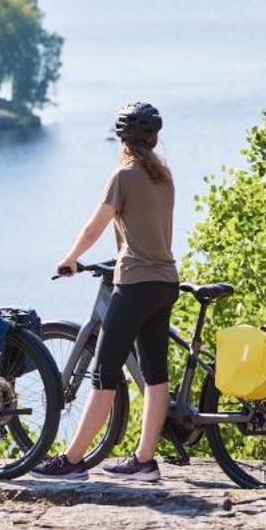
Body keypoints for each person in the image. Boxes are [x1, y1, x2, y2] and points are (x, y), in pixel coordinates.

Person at [33, 101, 178, 483]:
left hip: (134, 285)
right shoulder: (164, 175)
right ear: (154, 138)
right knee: (155, 376)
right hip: (166, 283)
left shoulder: (124, 176)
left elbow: (95, 227)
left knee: (103, 375)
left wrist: (69, 259)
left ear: (123, 140)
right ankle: (144, 462)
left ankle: (72, 461)